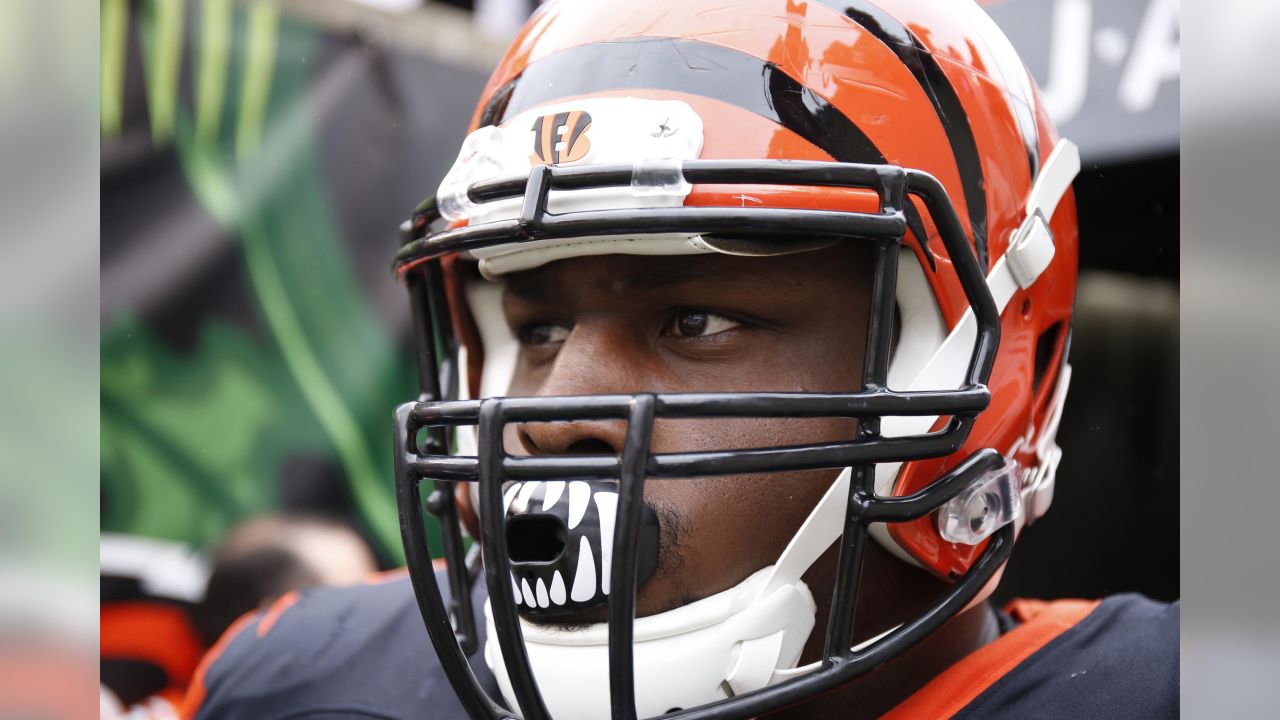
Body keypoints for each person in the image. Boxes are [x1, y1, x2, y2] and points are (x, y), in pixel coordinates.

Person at [182, 1, 1178, 718]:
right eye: (534, 330)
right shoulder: (307, 683)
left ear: (984, 378)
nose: (551, 411)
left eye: (695, 318)